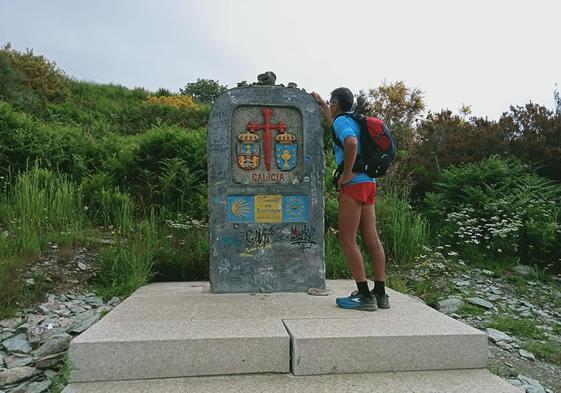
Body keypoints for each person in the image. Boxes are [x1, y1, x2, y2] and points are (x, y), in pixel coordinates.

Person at [311, 88, 389, 311]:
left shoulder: (341, 124)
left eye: (330, 102)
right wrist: (322, 105)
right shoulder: (353, 120)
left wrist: (345, 176)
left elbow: (351, 143)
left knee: (347, 239)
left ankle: (364, 295)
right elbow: (339, 126)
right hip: (370, 183)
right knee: (371, 238)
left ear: (336, 102)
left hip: (353, 186)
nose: (329, 105)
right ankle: (380, 293)